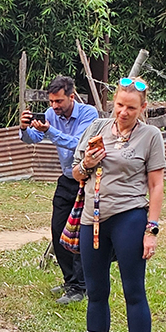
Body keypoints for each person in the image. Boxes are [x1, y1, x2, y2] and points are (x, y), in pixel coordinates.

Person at [59, 77, 165, 332]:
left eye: (131, 108)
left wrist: (152, 229)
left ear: (143, 108)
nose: (123, 112)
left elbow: (156, 185)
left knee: (133, 290)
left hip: (129, 215)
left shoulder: (150, 136)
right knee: (96, 290)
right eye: (119, 105)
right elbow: (76, 173)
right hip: (94, 217)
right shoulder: (98, 129)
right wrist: (87, 163)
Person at [19, 75, 99, 305]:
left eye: (59, 101)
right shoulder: (51, 115)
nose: (54, 106)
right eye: (51, 102)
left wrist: (50, 132)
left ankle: (80, 287)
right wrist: (24, 128)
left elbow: (78, 143)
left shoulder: (89, 114)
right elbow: (33, 138)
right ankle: (69, 281)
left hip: (87, 178)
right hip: (66, 178)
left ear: (71, 97)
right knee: (58, 230)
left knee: (80, 233)